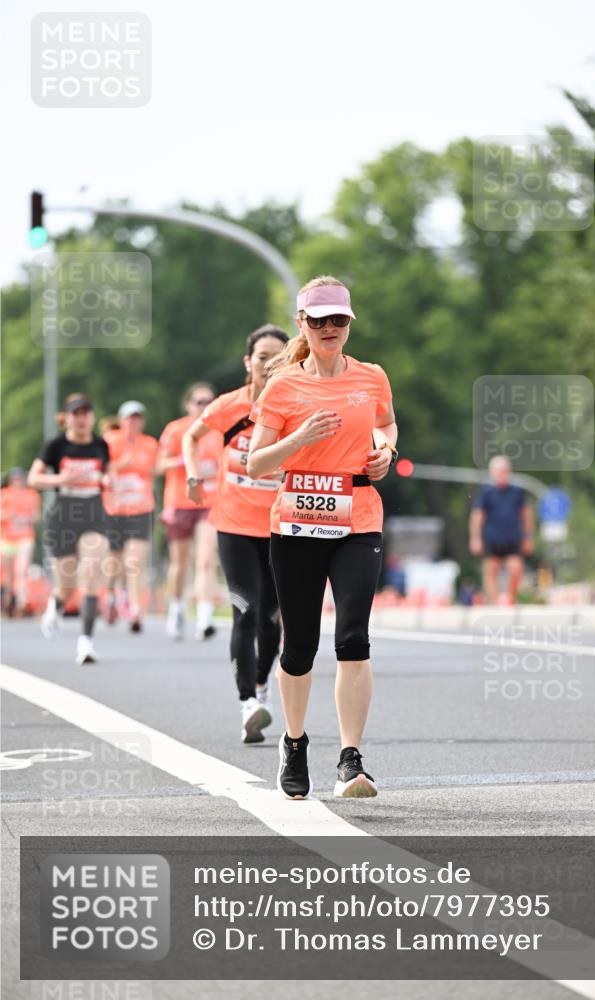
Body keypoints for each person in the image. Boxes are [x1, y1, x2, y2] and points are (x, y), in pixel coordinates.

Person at [247, 276, 398, 800]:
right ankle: (293, 742)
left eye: (339, 320)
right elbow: (257, 461)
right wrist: (299, 437)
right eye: (319, 321)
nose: (330, 329)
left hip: (358, 515)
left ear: (349, 323)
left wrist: (385, 452)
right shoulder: (284, 385)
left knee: (354, 636)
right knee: (301, 644)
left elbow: (386, 425)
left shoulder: (372, 377)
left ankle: (351, 757)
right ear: (302, 325)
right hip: (296, 522)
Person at [183, 325, 289, 743]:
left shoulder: (294, 406)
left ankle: (261, 685)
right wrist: (193, 475)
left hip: (282, 525)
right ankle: (248, 703)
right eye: (262, 356)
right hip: (234, 525)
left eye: (278, 357)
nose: (269, 364)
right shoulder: (230, 406)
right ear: (249, 362)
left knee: (273, 618)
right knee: (244, 611)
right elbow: (193, 437)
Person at [27, 394, 110, 664]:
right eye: (76, 413)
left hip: (93, 512)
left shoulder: (101, 445)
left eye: (86, 412)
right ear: (67, 418)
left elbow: (108, 474)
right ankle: (57, 604)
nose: (82, 418)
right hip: (63, 514)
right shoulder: (56, 445)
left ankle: (86, 643)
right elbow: (34, 478)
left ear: (92, 417)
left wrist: (108, 479)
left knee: (90, 573)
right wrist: (62, 478)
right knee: (67, 585)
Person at [157, 383, 221, 640]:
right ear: (188, 404)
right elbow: (159, 466)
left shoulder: (221, 430)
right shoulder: (176, 429)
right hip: (181, 501)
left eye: (209, 401)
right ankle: (177, 608)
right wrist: (185, 461)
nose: (204, 406)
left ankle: (205, 617)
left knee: (206, 559)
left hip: (210, 502)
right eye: (199, 402)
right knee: (180, 564)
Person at [103, 401, 159, 633]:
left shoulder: (150, 444)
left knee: (134, 561)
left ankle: (135, 608)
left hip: (140, 509)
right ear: (121, 420)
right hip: (114, 510)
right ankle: (111, 598)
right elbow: (101, 471)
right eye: (129, 418)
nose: (133, 422)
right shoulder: (109, 441)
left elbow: (154, 474)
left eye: (137, 418)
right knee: (114, 564)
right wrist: (117, 467)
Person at [469, 455, 534, 604]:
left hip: (512, 537)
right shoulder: (486, 492)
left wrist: (528, 537)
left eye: (504, 470)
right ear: (492, 472)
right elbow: (477, 517)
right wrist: (475, 538)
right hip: (492, 538)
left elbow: (526, 515)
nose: (501, 474)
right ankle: (496, 600)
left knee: (516, 568)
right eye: (498, 471)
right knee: (491, 570)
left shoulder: (517, 492)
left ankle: (510, 597)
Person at [0, 468, 41, 616]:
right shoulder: (4, 494)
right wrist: (9, 515)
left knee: (21, 571)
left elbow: (36, 516)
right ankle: (9, 599)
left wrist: (28, 518)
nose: (18, 481)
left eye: (20, 478)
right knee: (8, 574)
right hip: (6, 538)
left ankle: (21, 601)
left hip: (25, 537)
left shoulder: (32, 495)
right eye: (15, 479)